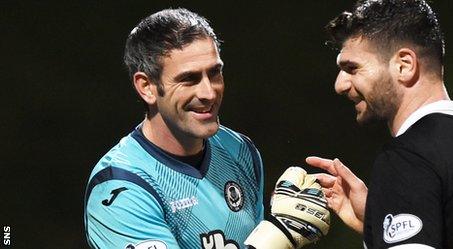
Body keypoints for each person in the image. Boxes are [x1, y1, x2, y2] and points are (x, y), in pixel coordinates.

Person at [84, 8, 329, 249]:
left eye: (214, 73)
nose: (209, 92)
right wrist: (278, 237)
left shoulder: (239, 151)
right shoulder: (122, 187)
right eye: (188, 79)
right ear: (146, 87)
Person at [306, 1, 453, 249]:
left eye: (352, 68)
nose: (339, 84)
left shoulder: (409, 157)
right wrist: (379, 223)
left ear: (404, 65)